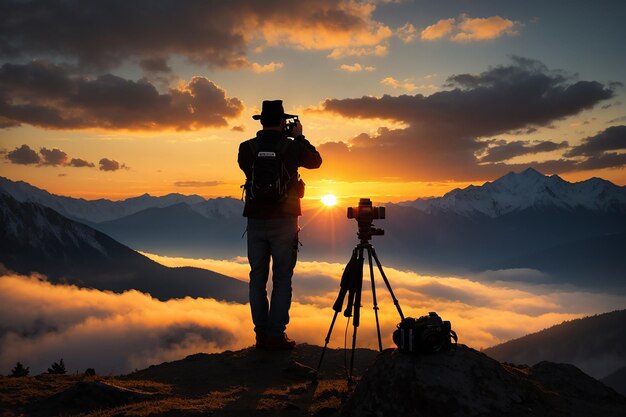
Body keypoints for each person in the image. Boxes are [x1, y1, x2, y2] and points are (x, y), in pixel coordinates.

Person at [238, 100, 322, 350]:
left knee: (257, 279)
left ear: (262, 120)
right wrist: (300, 137)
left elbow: (245, 170)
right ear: (282, 122)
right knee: (282, 278)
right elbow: (316, 161)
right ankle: (276, 335)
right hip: (285, 221)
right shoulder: (291, 148)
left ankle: (261, 335)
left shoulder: (246, 148)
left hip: (254, 221)